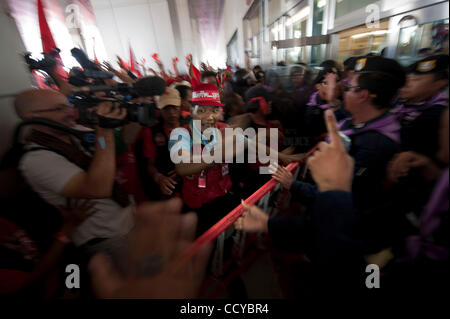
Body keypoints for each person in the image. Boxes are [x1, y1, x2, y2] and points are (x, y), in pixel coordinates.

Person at [14, 89, 134, 257]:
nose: (70, 112)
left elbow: (122, 142)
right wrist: (104, 131)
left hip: (128, 223)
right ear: (32, 117)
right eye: (59, 109)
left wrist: (132, 117)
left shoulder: (74, 131)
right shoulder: (36, 160)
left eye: (68, 105)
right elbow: (98, 189)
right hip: (107, 239)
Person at [138, 87, 183, 200]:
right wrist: (159, 178)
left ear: (180, 106)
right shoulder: (152, 132)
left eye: (174, 107)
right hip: (168, 187)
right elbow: (150, 165)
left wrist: (186, 170)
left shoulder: (192, 127)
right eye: (166, 109)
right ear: (160, 110)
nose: (171, 112)